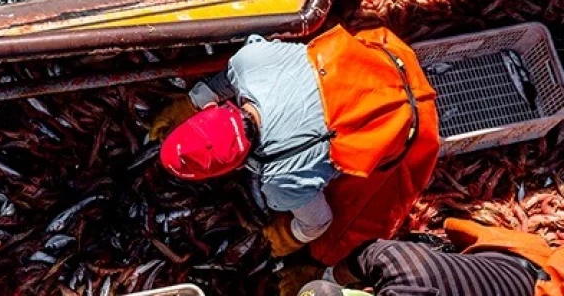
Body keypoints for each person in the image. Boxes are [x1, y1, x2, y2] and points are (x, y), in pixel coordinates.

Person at [149, 25, 440, 264]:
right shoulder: (248, 62)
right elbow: (229, 78)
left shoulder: (281, 180)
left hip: (411, 120)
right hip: (386, 53)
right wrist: (192, 100)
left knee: (342, 236)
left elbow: (319, 222)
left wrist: (288, 237)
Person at [295, 218, 564, 296]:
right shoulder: (393, 258)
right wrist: (326, 274)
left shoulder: (402, 266)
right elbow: (359, 259)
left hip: (539, 281)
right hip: (515, 266)